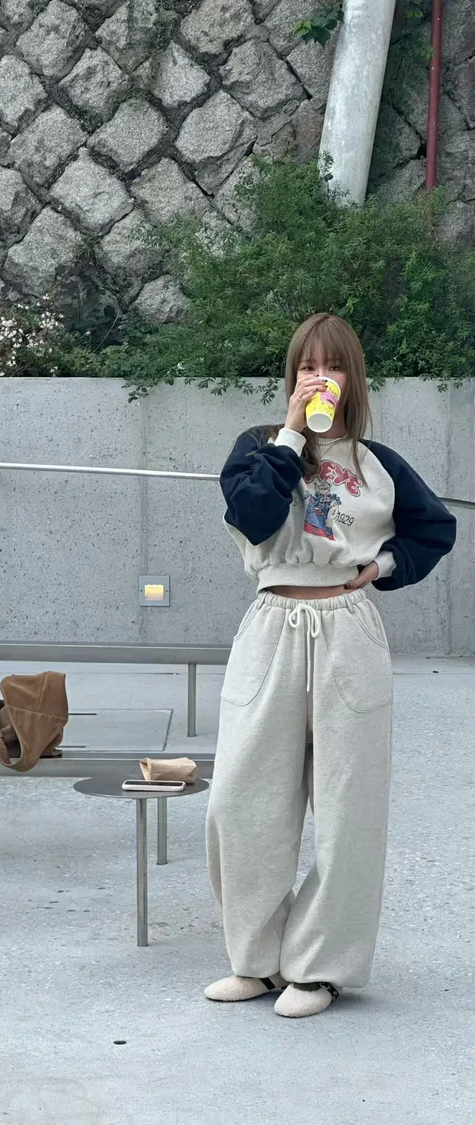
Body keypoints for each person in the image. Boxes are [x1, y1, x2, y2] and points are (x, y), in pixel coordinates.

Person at [205, 312, 457, 1019]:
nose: (321, 377)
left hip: (347, 626)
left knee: (349, 807)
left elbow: (435, 528)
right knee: (241, 799)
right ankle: (256, 960)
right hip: (271, 624)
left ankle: (318, 968)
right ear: (292, 375)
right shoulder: (258, 447)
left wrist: (383, 566)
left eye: (334, 365)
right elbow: (254, 516)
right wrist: (291, 434)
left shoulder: (378, 463)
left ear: (353, 377)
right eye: (308, 365)